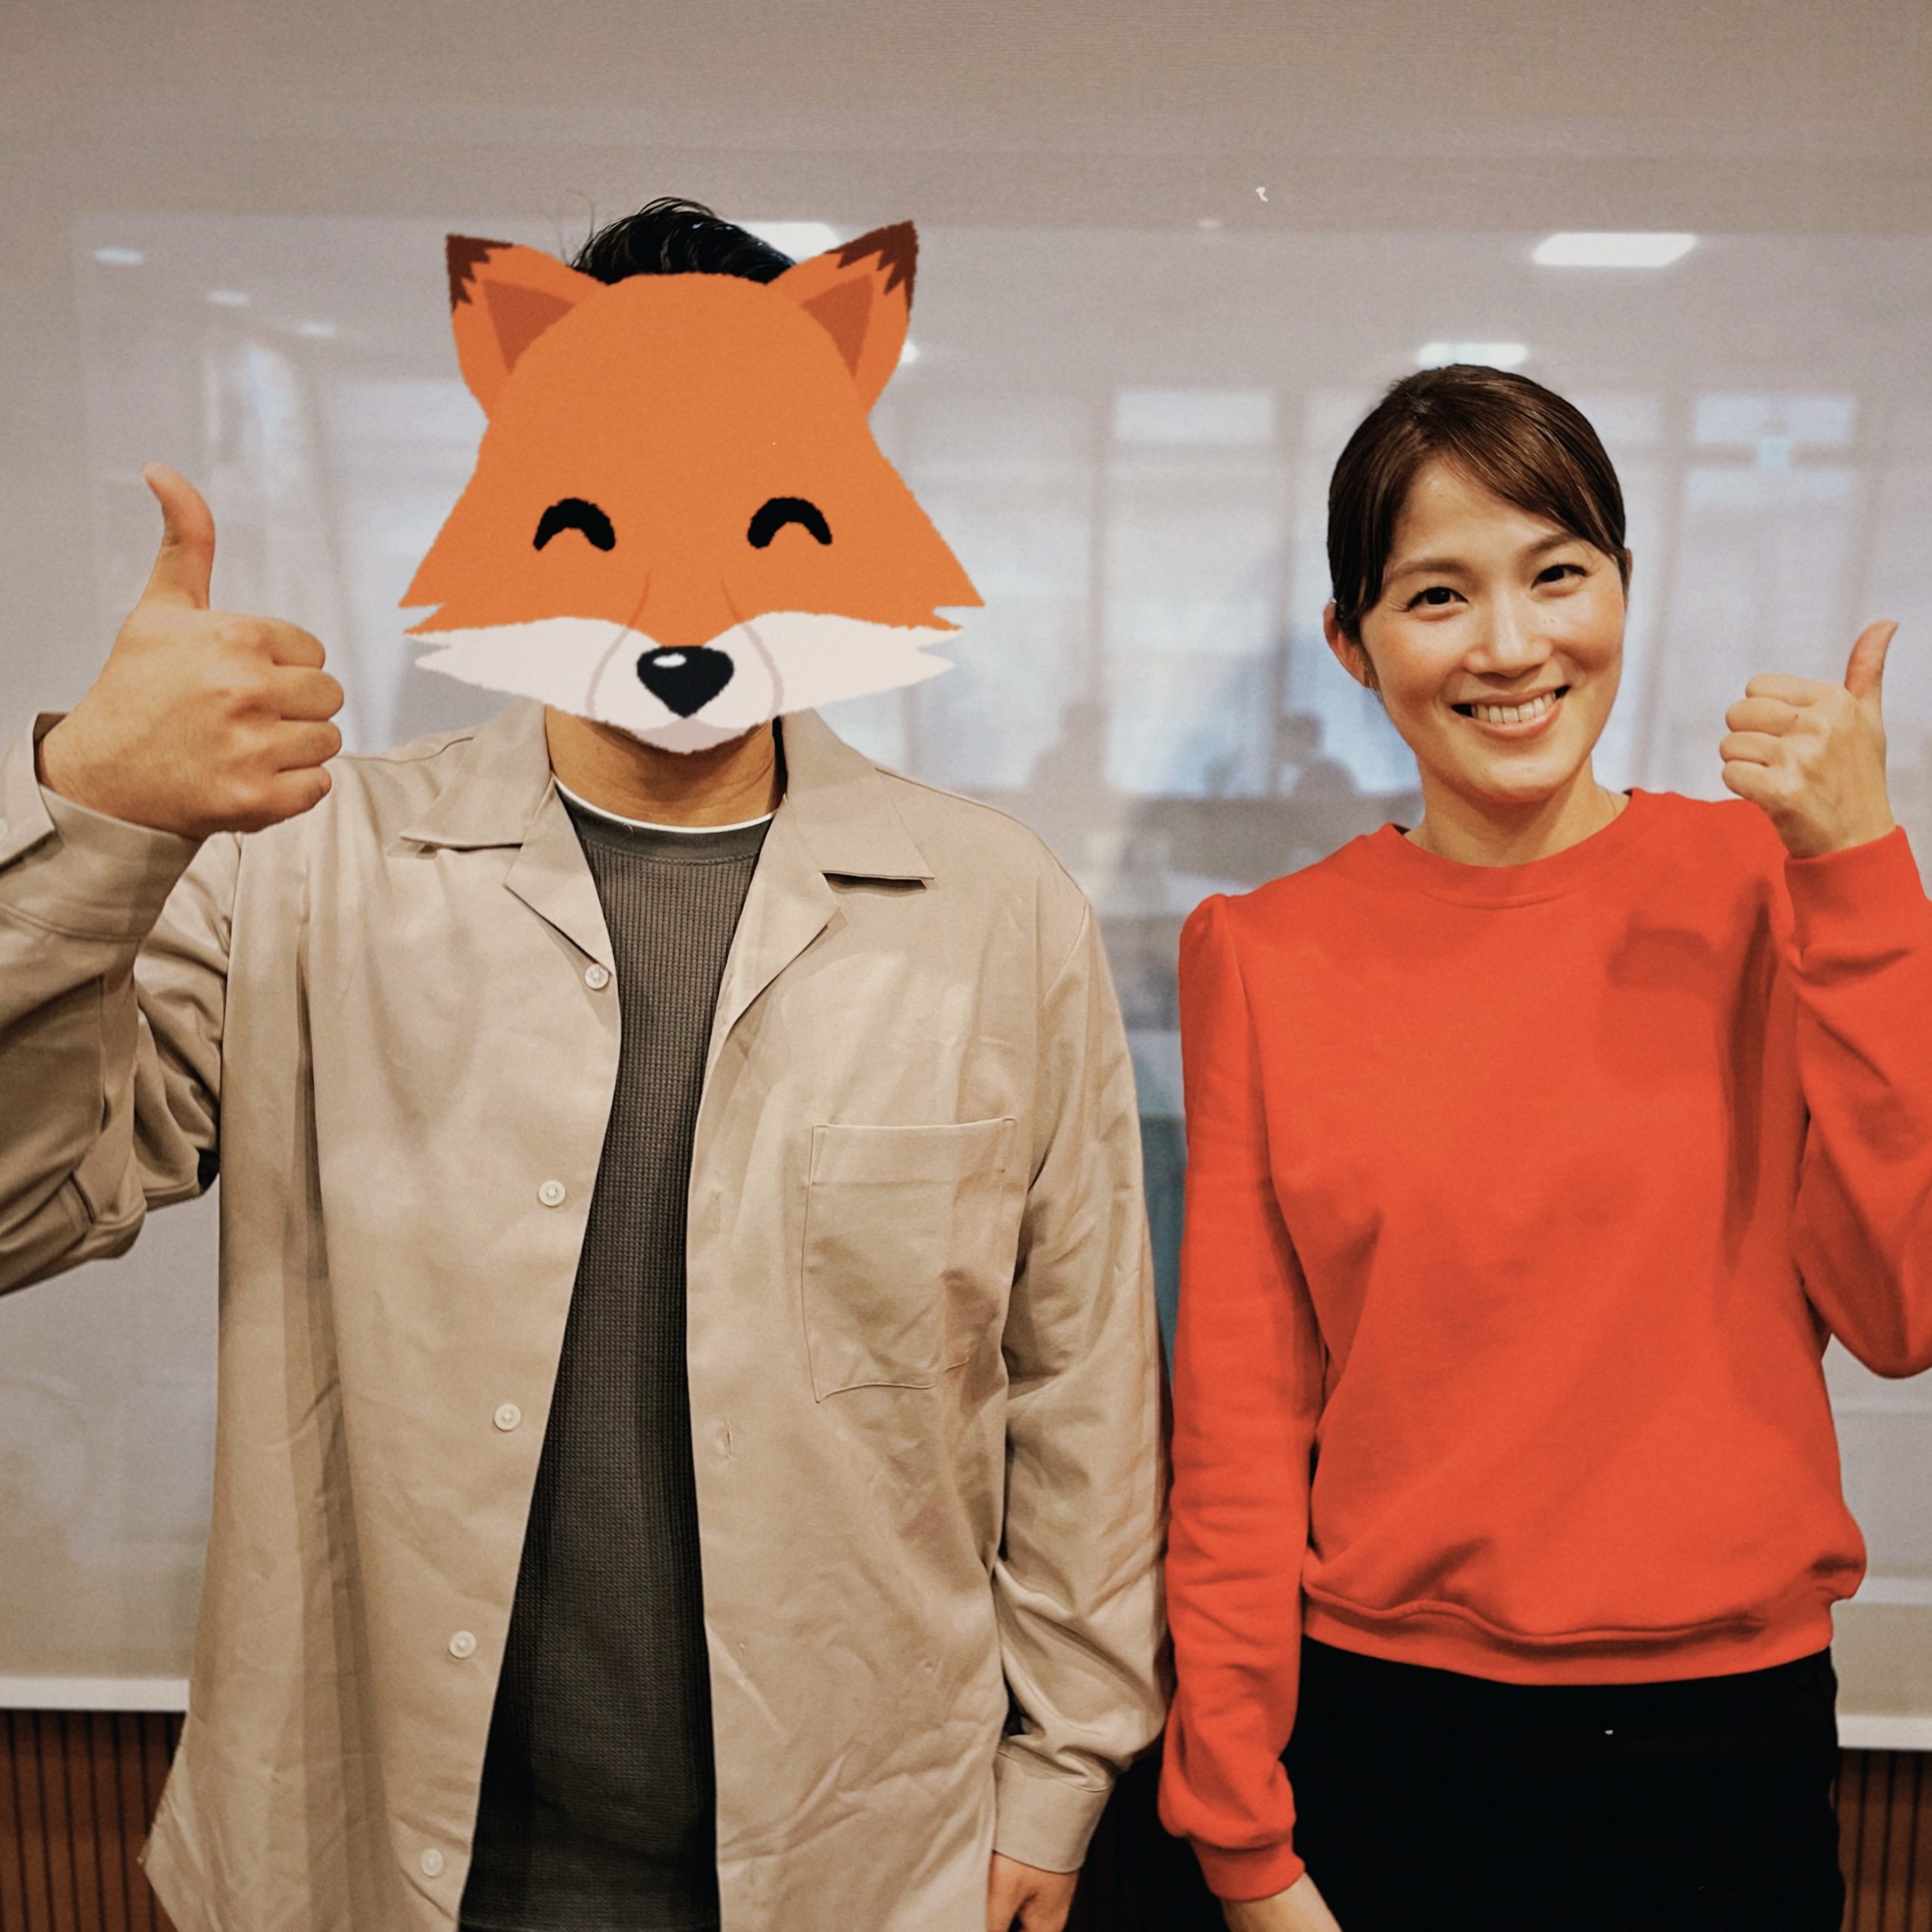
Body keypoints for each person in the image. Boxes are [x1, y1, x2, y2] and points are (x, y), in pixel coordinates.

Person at [0, 199, 1166, 1932]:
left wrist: (1061, 1765)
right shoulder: (302, 866)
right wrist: (97, 828)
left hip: (859, 1849)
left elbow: (1077, 1382)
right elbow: (21, 1209)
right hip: (383, 1847)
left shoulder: (992, 907)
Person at [1158, 363, 1932, 1931]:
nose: (1509, 647)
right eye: (1436, 595)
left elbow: (1901, 1307)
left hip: (1726, 1738)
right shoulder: (1262, 953)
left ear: (1622, 589)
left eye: (1556, 574)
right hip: (1392, 1741)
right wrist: (1240, 1831)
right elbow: (1240, 1421)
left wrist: (1860, 872)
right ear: (1351, 643)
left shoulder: (1768, 884)